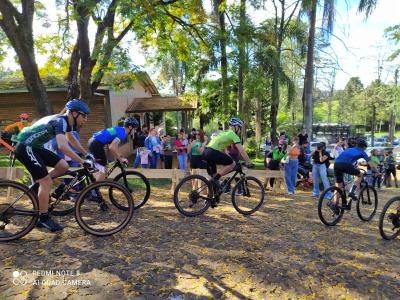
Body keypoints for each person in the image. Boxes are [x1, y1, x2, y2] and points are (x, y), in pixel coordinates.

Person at [15, 99, 91, 232]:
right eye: (84, 115)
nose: (86, 119)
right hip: (26, 147)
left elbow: (70, 139)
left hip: (35, 147)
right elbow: (62, 146)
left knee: (63, 166)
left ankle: (39, 186)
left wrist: (85, 154)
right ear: (74, 113)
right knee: (46, 182)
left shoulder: (67, 122)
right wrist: (81, 161)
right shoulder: (61, 121)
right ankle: (43, 218)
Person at [202, 117, 253, 192]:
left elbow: (223, 150)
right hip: (212, 152)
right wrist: (249, 162)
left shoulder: (225, 133)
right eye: (240, 128)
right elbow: (242, 151)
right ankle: (216, 179)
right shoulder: (234, 135)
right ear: (236, 127)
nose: (240, 131)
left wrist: (229, 158)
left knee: (214, 179)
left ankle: (211, 200)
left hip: (206, 152)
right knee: (232, 164)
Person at [331, 139, 380, 214]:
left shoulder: (350, 149)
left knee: (339, 186)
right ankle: (352, 192)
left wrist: (354, 167)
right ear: (364, 147)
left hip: (336, 164)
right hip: (345, 165)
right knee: (360, 174)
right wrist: (377, 172)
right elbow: (371, 165)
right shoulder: (362, 152)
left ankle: (335, 204)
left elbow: (346, 157)